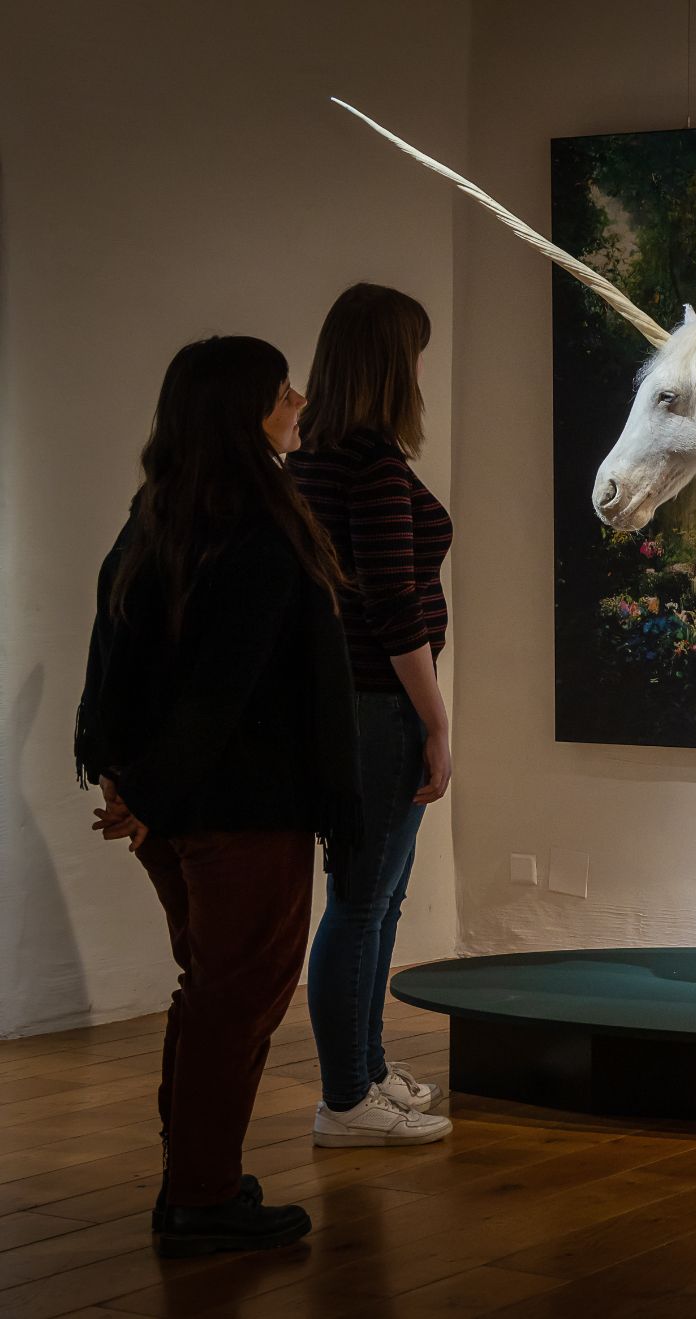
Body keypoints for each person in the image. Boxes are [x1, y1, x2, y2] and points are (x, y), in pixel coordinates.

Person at [76, 336, 361, 1256]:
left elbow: (115, 657)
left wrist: (125, 779)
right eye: (283, 390)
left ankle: (192, 1181)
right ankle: (200, 1193)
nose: (300, 400)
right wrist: (145, 789)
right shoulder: (260, 528)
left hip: (178, 807)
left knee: (211, 990)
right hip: (241, 809)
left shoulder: (161, 511)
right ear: (244, 410)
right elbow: (222, 687)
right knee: (234, 997)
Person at [289, 283, 454, 1147]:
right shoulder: (372, 461)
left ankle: (368, 1071)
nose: (422, 367)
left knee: (375, 900)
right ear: (393, 360)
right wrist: (437, 721)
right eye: (416, 351)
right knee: (361, 902)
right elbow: (392, 606)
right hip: (380, 706)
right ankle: (346, 1099)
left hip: (347, 703)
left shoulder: (314, 453)